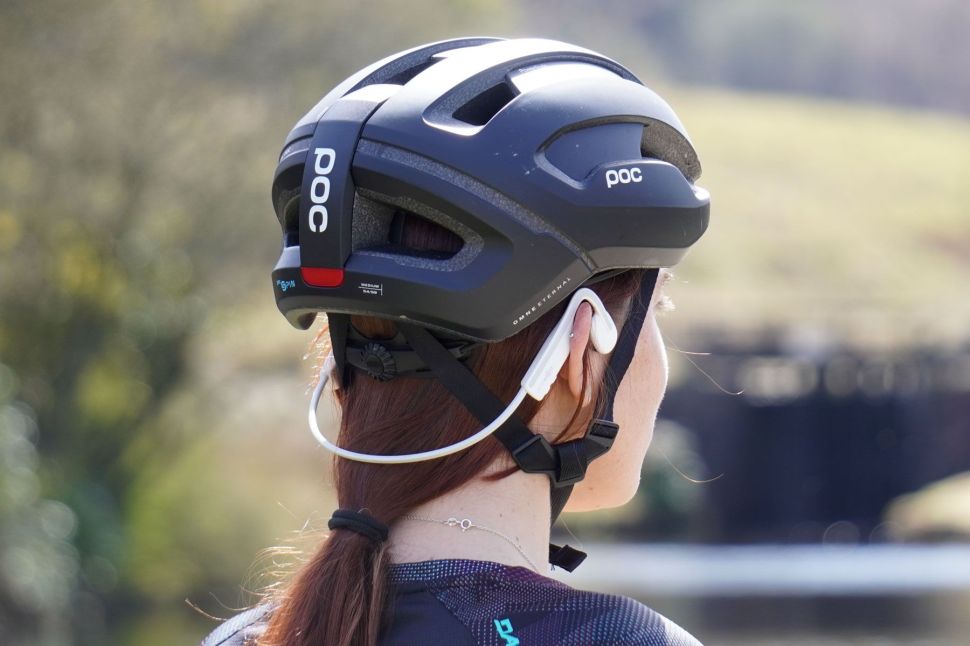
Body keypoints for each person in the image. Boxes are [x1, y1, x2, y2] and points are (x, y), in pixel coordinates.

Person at [202, 36, 710, 646]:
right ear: (578, 356)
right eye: (658, 308)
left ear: (341, 374)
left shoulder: (245, 639)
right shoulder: (622, 641)